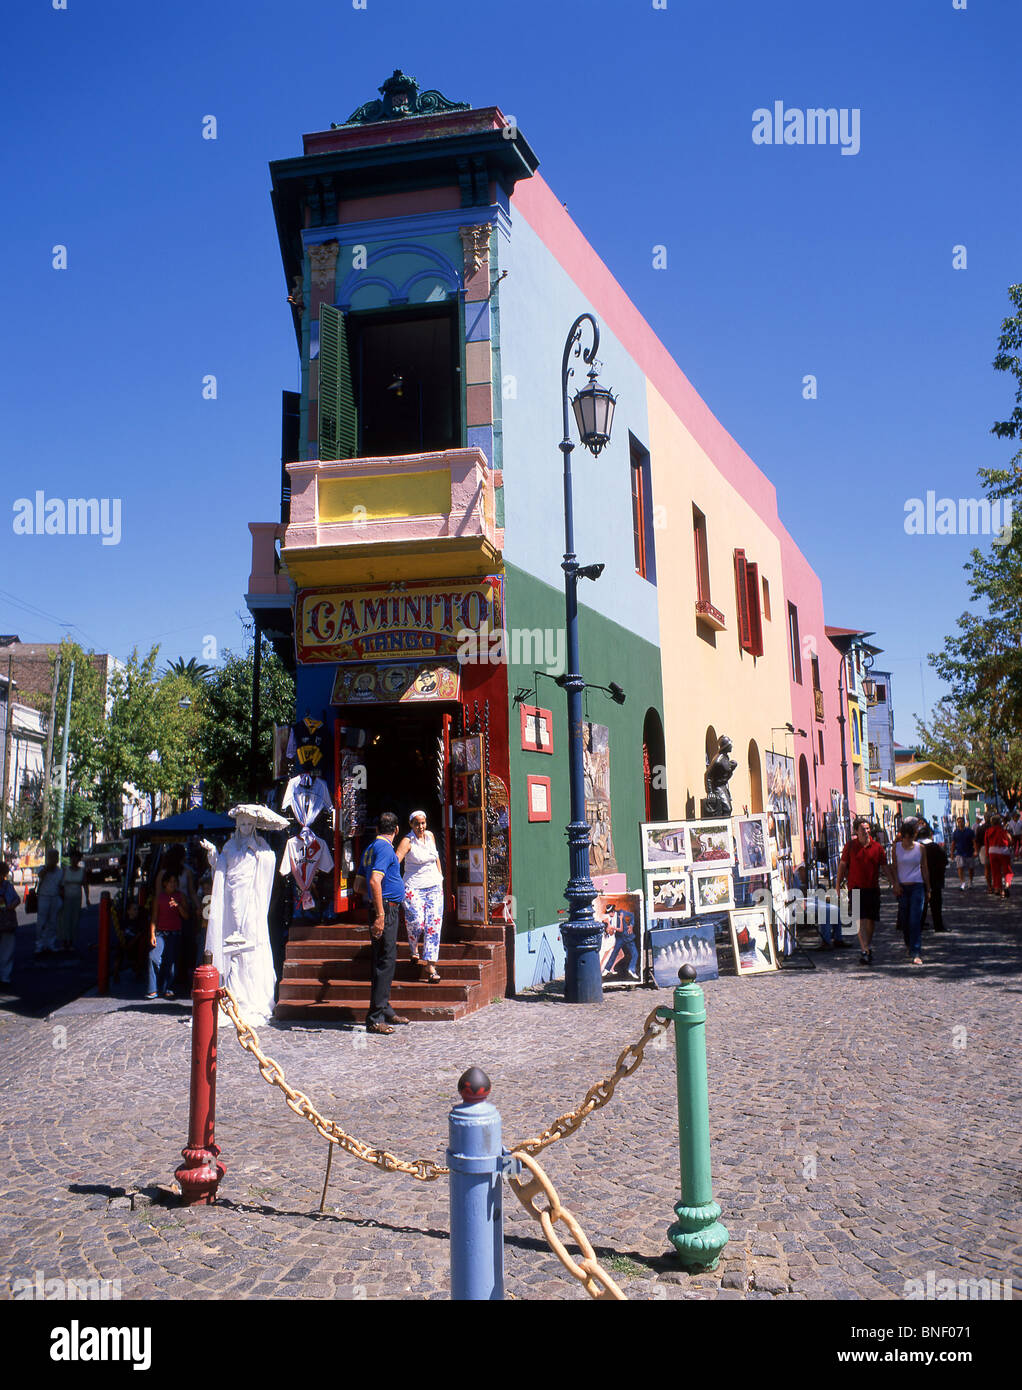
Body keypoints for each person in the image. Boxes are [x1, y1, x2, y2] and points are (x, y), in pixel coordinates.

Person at [360, 812, 410, 1035]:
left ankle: (385, 1008)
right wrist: (380, 914)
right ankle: (375, 1017)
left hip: (383, 908)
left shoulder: (370, 849)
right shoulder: (384, 849)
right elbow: (373, 881)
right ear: (396, 830)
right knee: (385, 961)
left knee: (384, 959)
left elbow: (359, 885)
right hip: (386, 910)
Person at [395, 811, 443, 984]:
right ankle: (413, 947)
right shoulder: (407, 841)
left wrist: (440, 877)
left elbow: (436, 857)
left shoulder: (430, 836)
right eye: (417, 824)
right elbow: (396, 861)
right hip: (413, 886)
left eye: (423, 823)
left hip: (434, 886)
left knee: (434, 925)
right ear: (411, 825)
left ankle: (431, 965)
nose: (421, 827)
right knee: (416, 921)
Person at [837, 817, 891, 965]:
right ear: (856, 831)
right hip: (855, 887)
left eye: (868, 829)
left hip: (872, 888)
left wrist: (894, 883)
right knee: (859, 919)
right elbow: (842, 866)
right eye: (863, 829)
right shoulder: (850, 846)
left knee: (871, 920)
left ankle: (867, 945)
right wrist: (837, 885)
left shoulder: (877, 847)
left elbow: (885, 867)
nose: (866, 831)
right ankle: (864, 949)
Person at [890, 820, 931, 966]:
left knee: (915, 919)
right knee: (905, 919)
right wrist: (895, 883)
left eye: (911, 837)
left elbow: (924, 868)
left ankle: (916, 951)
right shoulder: (896, 848)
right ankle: (909, 944)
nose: (908, 840)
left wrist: (928, 888)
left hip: (917, 886)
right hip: (902, 887)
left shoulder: (920, 848)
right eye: (906, 837)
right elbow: (894, 867)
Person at [147, 870, 190, 999]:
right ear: (164, 883)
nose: (173, 884)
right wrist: (152, 935)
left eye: (175, 882)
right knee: (153, 957)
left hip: (174, 934)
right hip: (161, 933)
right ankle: (152, 988)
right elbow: (154, 917)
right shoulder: (159, 898)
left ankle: (168, 988)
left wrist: (178, 906)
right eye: (170, 882)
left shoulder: (180, 896)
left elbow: (186, 916)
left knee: (170, 962)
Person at [916, 823, 949, 931]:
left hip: (918, 879)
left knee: (921, 905)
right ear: (930, 835)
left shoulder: (915, 848)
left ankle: (919, 924)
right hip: (935, 879)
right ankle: (938, 925)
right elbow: (944, 861)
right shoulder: (935, 847)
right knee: (936, 905)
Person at [58, 848, 89, 952]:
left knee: (74, 920)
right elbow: (60, 884)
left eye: (76, 858)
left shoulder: (82, 871)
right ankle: (64, 941)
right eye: (72, 858)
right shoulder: (65, 870)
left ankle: (71, 941)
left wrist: (87, 898)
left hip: (77, 897)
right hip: (66, 897)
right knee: (64, 920)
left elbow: (85, 885)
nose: (74, 860)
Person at [35, 849, 64, 955]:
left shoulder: (60, 871)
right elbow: (40, 875)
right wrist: (48, 866)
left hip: (55, 897)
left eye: (55, 857)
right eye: (51, 857)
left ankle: (50, 944)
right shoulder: (42, 868)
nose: (53, 859)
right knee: (41, 922)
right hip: (43, 897)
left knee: (53, 922)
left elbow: (61, 886)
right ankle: (39, 944)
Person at [602, 903, 640, 980]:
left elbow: (632, 915)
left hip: (628, 937)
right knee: (614, 952)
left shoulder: (621, 913)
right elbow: (612, 932)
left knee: (635, 953)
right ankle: (607, 969)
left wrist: (631, 926)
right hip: (619, 938)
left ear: (613, 911)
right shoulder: (611, 920)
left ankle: (631, 969)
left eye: (610, 913)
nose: (609, 915)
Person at [0, 862, 21, 987]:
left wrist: (10, 906)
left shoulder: (8, 886)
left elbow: (17, 899)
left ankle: (5, 976)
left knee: (7, 949)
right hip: (6, 920)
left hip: (7, 921)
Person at [985, 814, 1013, 898]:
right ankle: (1007, 885)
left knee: (995, 871)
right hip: (1003, 851)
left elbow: (986, 844)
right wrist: (1010, 845)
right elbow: (1009, 839)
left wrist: (987, 854)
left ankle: (997, 888)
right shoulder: (1003, 830)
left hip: (992, 851)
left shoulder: (988, 831)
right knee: (1007, 870)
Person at [951, 816, 976, 890]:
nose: (960, 823)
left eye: (961, 821)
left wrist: (975, 850)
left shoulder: (970, 831)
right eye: (958, 822)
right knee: (960, 868)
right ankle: (962, 882)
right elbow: (953, 843)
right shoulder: (955, 832)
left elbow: (974, 841)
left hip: (969, 852)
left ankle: (970, 882)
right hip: (959, 853)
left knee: (971, 868)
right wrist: (952, 853)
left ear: (964, 822)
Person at [974, 814, 992, 893]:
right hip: (994, 847)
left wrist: (977, 851)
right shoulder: (994, 826)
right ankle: (997, 885)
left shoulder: (980, 828)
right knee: (995, 868)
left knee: (987, 868)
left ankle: (989, 886)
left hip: (983, 848)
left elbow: (977, 841)